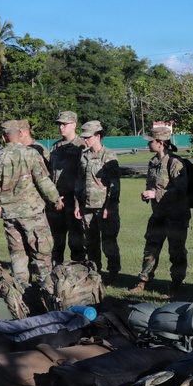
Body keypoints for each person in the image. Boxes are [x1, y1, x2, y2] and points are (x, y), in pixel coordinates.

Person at [0, 120, 63, 285]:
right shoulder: (31, 154)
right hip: (32, 213)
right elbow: (43, 181)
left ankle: (22, 293)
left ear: (3, 138)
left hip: (10, 216)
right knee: (41, 254)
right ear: (20, 134)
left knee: (18, 255)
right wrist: (55, 199)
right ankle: (45, 291)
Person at [129, 126, 190, 298]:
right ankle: (143, 282)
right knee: (150, 250)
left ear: (161, 143)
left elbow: (180, 191)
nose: (148, 143)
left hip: (176, 217)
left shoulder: (175, 163)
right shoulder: (153, 162)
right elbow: (152, 185)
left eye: (151, 140)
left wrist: (156, 193)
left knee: (176, 253)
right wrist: (148, 193)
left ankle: (176, 286)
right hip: (158, 215)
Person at [73, 120, 121, 284]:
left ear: (98, 136)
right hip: (87, 207)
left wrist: (110, 207)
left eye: (89, 137)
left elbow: (115, 185)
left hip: (104, 208)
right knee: (90, 244)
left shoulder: (108, 156)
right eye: (84, 137)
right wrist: (77, 204)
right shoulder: (84, 156)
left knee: (109, 243)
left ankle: (114, 274)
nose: (85, 140)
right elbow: (79, 182)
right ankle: (95, 274)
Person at [48, 111, 87, 265]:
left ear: (74, 125)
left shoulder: (81, 146)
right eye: (59, 124)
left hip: (73, 200)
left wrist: (79, 202)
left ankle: (78, 275)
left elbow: (84, 176)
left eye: (65, 124)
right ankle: (55, 273)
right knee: (55, 241)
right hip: (57, 201)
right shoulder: (56, 146)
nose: (61, 127)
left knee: (76, 241)